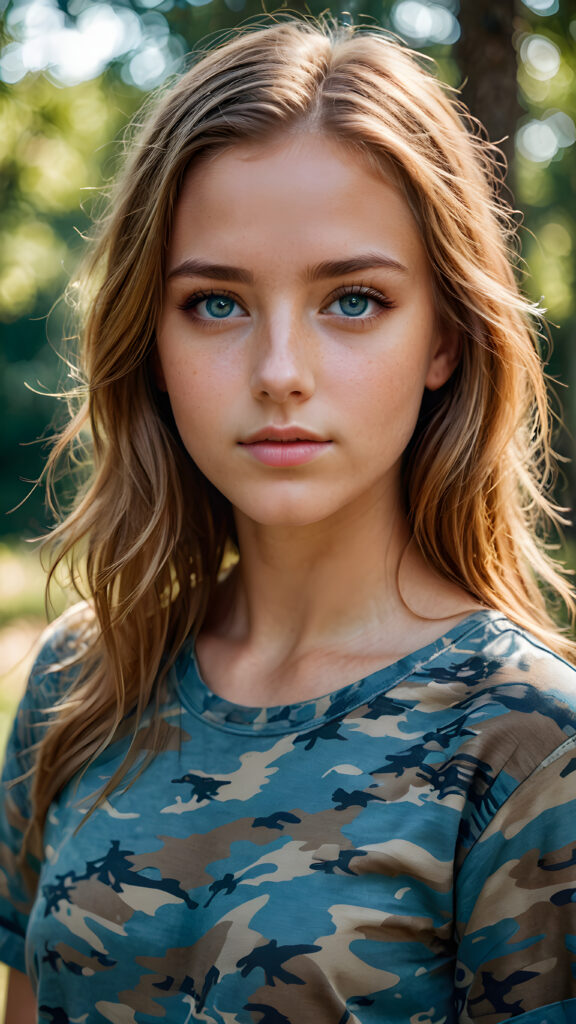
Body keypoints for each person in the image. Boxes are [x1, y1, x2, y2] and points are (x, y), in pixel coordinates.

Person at [2, 17, 576, 1023]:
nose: (279, 374)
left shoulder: (530, 741)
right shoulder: (82, 680)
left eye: (352, 300)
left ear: (443, 338)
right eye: (216, 304)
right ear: (151, 333)